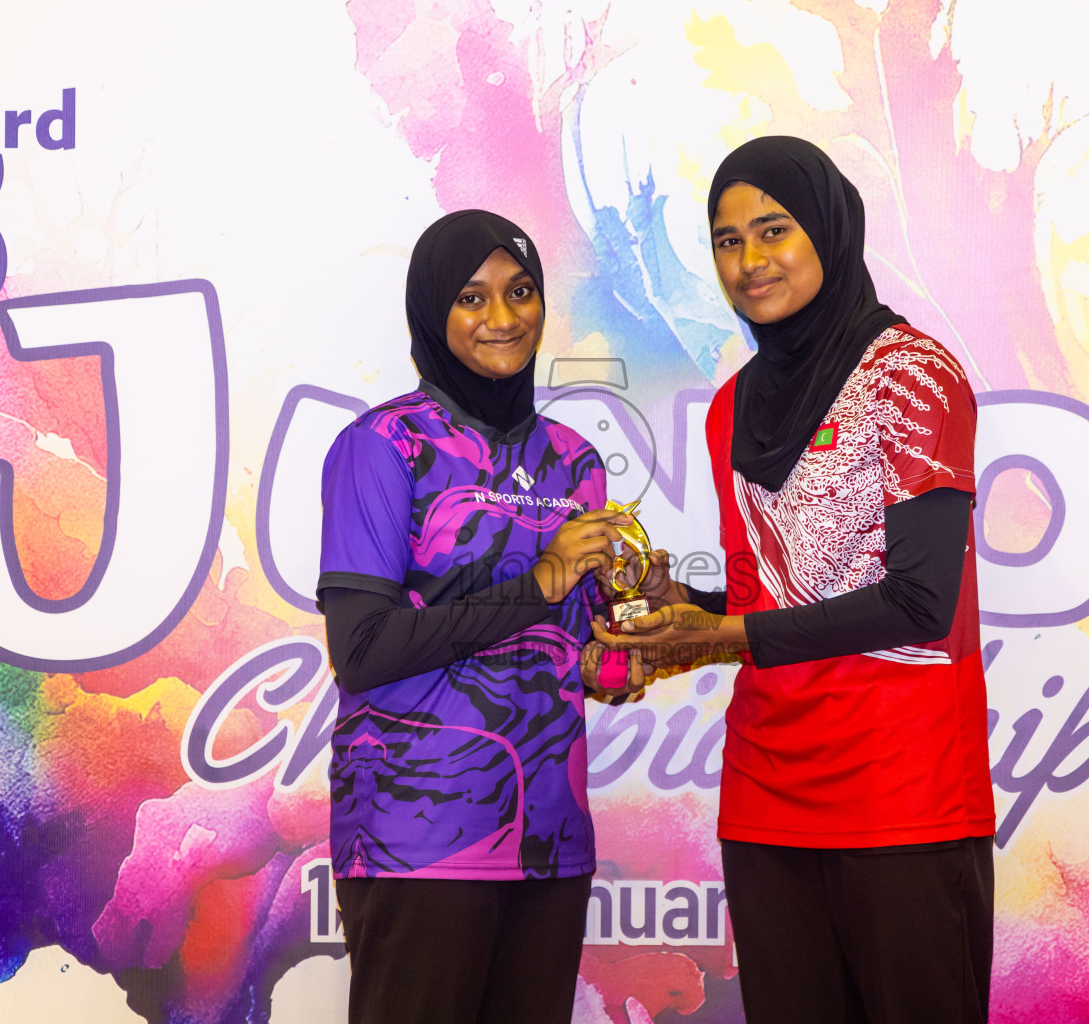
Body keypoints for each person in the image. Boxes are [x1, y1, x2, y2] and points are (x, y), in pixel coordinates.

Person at [595, 136, 996, 1023]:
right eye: (727, 241)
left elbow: (920, 603)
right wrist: (683, 612)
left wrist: (725, 635)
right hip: (768, 794)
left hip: (903, 793)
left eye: (772, 231)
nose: (749, 261)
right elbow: (766, 598)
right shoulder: (736, 403)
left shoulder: (913, 378)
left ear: (826, 229)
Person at [318, 209, 645, 1024]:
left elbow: (579, 644)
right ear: (433, 311)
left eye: (520, 291)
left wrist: (630, 655)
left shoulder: (573, 460)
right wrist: (538, 580)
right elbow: (361, 650)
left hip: (550, 841)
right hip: (417, 840)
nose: (503, 318)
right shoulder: (384, 445)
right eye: (471, 297)